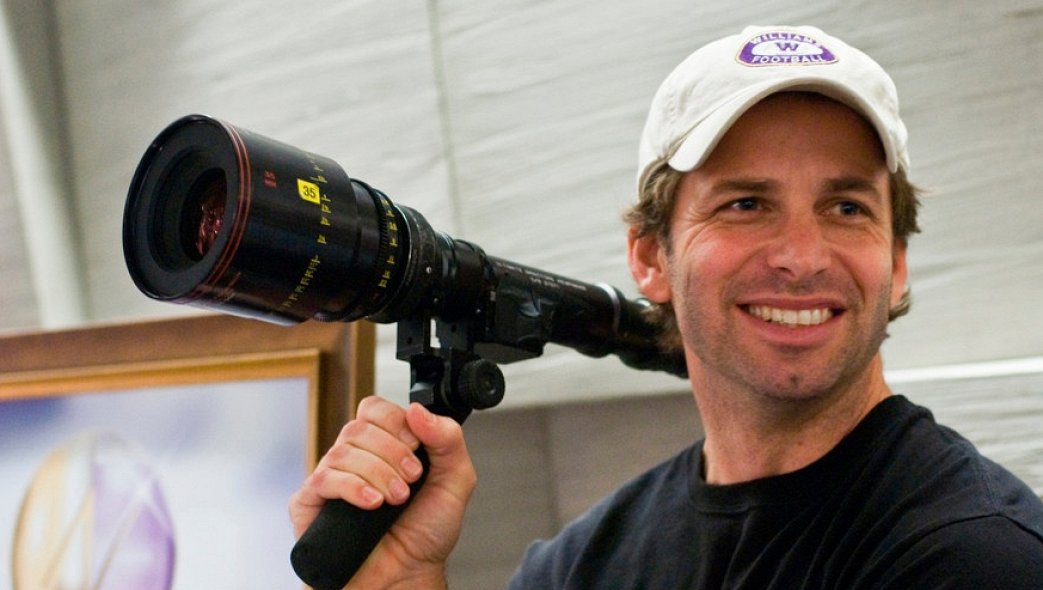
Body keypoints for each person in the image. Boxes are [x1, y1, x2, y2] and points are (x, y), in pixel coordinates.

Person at [290, 24, 1043, 588]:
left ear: (897, 263)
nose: (801, 255)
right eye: (746, 203)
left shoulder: (973, 557)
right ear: (651, 256)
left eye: (846, 208)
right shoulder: (580, 566)